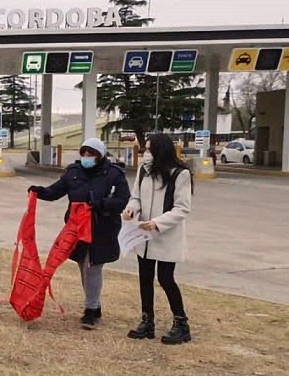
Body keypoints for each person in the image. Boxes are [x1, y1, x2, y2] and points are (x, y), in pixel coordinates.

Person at [28, 138, 131, 329]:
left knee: (92, 267)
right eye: (83, 153)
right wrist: (39, 192)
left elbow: (123, 200)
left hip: (101, 228)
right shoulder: (73, 172)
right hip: (76, 228)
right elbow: (56, 191)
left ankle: (91, 311)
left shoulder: (113, 174)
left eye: (90, 154)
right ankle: (95, 304)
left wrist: (100, 204)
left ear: (99, 156)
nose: (86, 157)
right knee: (83, 265)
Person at [122, 134, 193, 344]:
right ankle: (147, 321)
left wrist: (157, 223)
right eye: (145, 149)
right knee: (145, 277)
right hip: (143, 235)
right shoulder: (144, 171)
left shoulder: (180, 174)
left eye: (150, 149)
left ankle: (181, 323)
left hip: (165, 236)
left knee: (165, 278)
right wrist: (131, 210)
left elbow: (182, 208)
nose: (146, 153)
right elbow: (135, 197)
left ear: (160, 150)